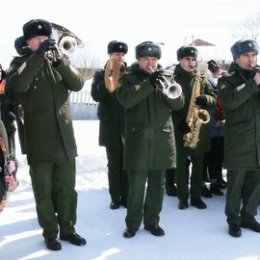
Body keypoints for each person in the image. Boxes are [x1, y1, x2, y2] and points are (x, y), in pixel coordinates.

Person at [7, 19, 86, 250]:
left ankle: (69, 229)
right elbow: (18, 86)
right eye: (37, 39)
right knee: (43, 190)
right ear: (28, 41)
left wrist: (59, 61)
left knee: (67, 190)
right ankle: (50, 233)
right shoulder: (19, 62)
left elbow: (78, 83)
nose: (43, 42)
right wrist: (37, 57)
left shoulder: (59, 60)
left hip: (65, 139)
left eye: (46, 39)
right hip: (39, 140)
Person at [117, 41, 185, 238]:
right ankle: (132, 224)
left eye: (154, 59)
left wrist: (165, 87)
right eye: (146, 59)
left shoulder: (168, 77)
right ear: (139, 59)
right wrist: (149, 84)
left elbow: (179, 103)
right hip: (138, 141)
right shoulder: (128, 78)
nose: (151, 63)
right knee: (136, 186)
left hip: (161, 140)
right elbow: (127, 100)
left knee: (158, 186)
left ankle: (152, 222)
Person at [217, 39, 260, 238]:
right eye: (247, 55)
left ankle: (249, 215)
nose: (252, 59)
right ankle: (233, 219)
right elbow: (231, 101)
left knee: (256, 182)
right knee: (235, 185)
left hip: (258, 140)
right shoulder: (227, 79)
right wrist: (253, 84)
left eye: (254, 55)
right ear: (236, 58)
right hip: (239, 141)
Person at [172, 45, 216, 210]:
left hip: (199, 129)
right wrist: (178, 123)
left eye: (193, 59)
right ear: (180, 59)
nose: (191, 63)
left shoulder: (201, 78)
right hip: (180, 129)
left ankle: (196, 197)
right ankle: (183, 198)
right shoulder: (172, 78)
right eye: (187, 59)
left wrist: (206, 99)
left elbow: (214, 96)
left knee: (198, 165)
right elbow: (166, 105)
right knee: (181, 167)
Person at [91, 40, 128, 209]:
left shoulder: (130, 72)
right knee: (114, 165)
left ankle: (127, 196)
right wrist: (110, 76)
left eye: (121, 54)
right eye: (116, 54)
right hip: (111, 126)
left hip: (128, 125)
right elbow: (97, 96)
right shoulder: (100, 73)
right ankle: (115, 197)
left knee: (127, 164)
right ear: (109, 55)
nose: (119, 57)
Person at [202, 60, 226, 196]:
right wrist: (213, 122)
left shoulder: (222, 85)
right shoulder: (206, 85)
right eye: (216, 72)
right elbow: (204, 108)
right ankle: (205, 184)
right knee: (206, 160)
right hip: (210, 130)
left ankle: (215, 183)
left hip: (221, 130)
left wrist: (223, 120)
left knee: (217, 160)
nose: (218, 74)